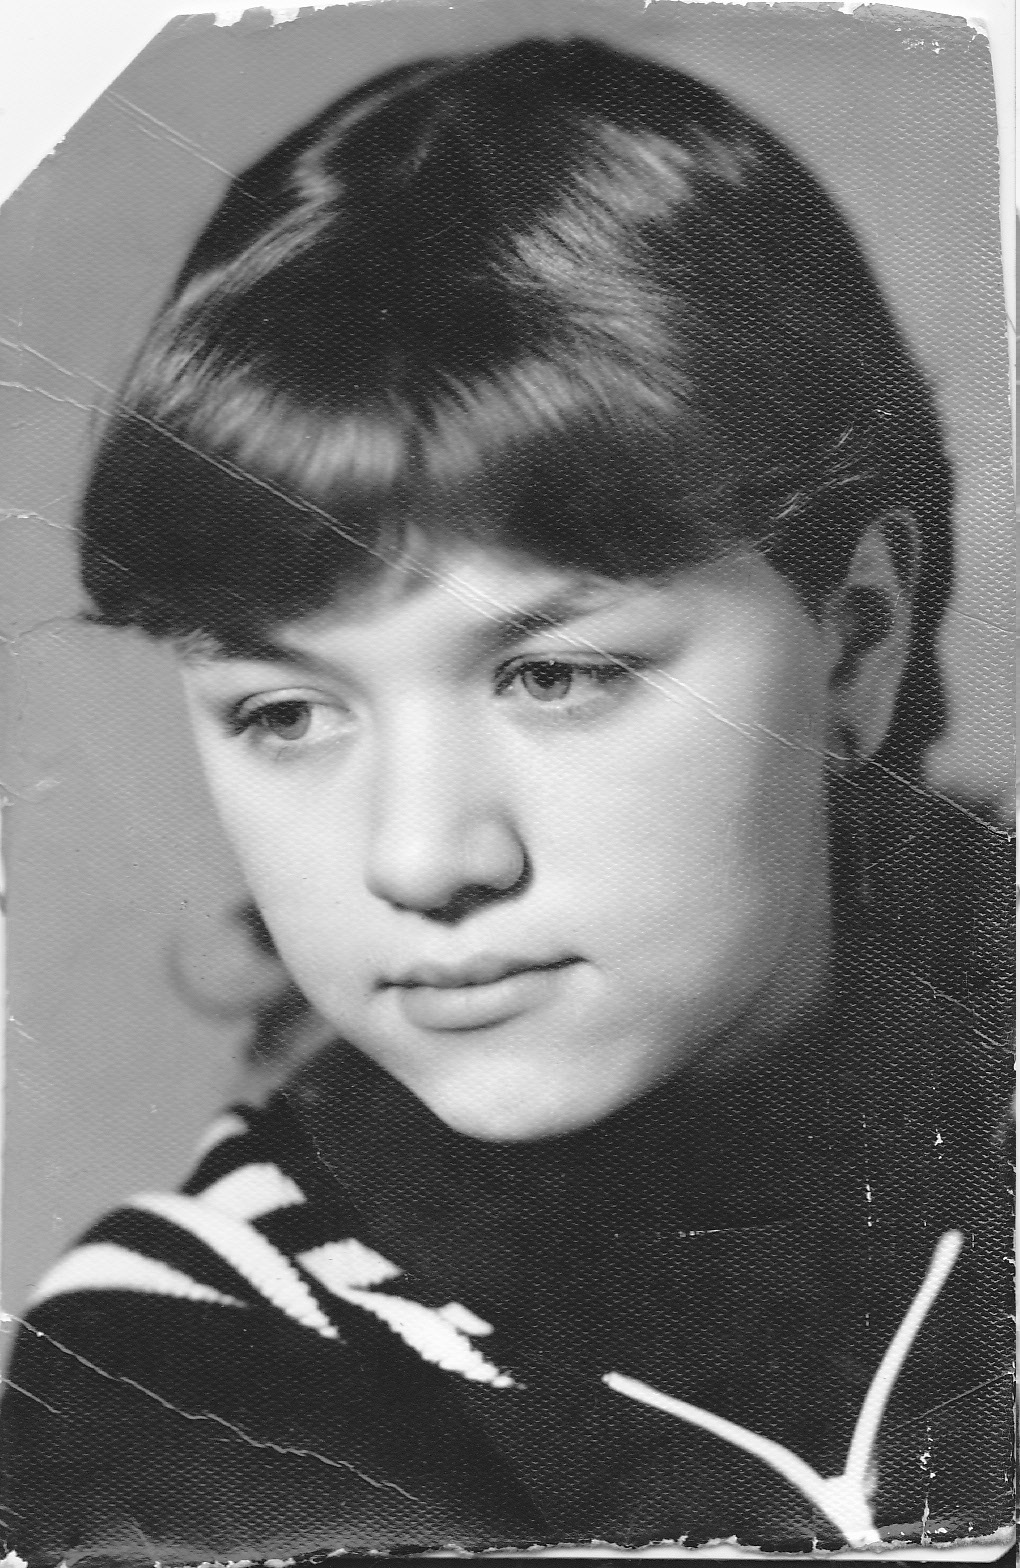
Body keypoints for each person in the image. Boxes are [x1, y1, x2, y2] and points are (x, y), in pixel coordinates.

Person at [1, 36, 1012, 1560]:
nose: (423, 858)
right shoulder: (177, 1376)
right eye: (285, 712)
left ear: (855, 638)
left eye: (556, 676)